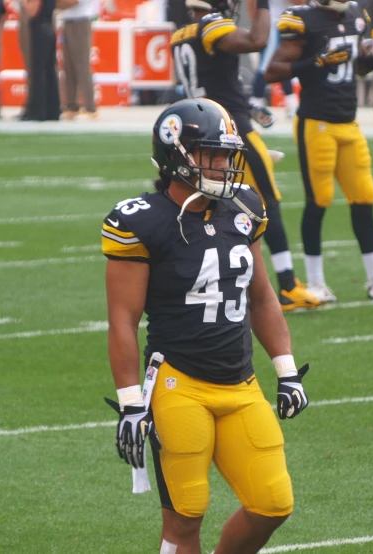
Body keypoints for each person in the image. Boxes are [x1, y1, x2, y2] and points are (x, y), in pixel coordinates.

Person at [102, 98, 311, 554]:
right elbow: (123, 319)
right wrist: (130, 402)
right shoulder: (141, 220)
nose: (223, 165)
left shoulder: (243, 207)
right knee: (185, 518)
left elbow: (261, 297)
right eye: (210, 155)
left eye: (226, 155)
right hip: (180, 384)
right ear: (176, 155)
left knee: (273, 503)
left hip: (241, 383)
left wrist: (287, 369)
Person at [170, 0, 322, 311]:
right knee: (268, 202)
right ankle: (288, 285)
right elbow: (258, 41)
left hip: (199, 131)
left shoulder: (181, 33)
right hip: (230, 132)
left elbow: (212, 81)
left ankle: (188, 278)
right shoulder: (211, 25)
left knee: (202, 207)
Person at [265, 0, 373, 301]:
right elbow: (273, 71)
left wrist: (370, 58)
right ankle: (315, 283)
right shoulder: (302, 19)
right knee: (319, 200)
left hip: (349, 121)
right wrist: (317, 62)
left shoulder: (354, 14)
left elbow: (359, 70)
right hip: (316, 122)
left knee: (364, 196)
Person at [247, 0, 300, 119]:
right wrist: (256, 22)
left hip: (287, 24)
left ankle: (291, 102)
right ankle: (255, 102)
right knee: (265, 65)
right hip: (272, 24)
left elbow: (301, 3)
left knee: (282, 64)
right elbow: (251, 2)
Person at [60, 0, 99, 120]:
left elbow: (74, 2)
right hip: (67, 20)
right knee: (69, 66)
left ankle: (90, 107)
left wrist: (50, 4)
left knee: (82, 65)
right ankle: (71, 106)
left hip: (81, 20)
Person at [22, 0, 60, 120]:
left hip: (40, 27)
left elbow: (32, 11)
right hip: (49, 26)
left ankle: (38, 111)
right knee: (49, 70)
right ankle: (52, 110)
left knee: (38, 71)